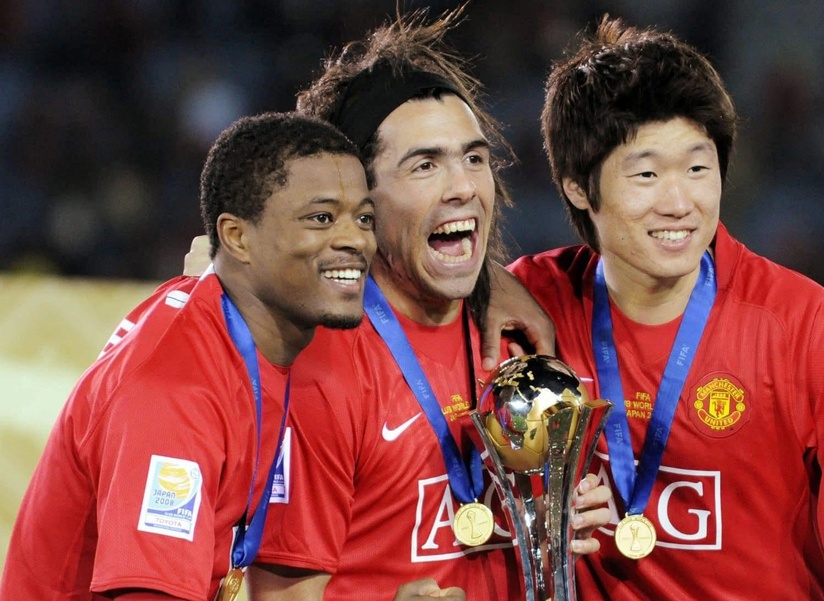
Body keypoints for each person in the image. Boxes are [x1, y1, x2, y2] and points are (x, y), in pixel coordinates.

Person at [173, 8, 609, 601]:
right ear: (360, 199)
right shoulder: (322, 368)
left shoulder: (519, 337)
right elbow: (280, 597)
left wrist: (563, 512)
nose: (464, 187)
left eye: (474, 158)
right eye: (425, 165)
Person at [504, 17, 824, 599]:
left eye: (698, 168)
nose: (680, 202)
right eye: (646, 173)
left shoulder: (798, 323)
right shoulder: (532, 303)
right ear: (578, 187)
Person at [0, 112, 379, 599]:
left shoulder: (232, 329)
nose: (356, 240)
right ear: (237, 238)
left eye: (364, 219)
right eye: (321, 218)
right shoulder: (176, 390)